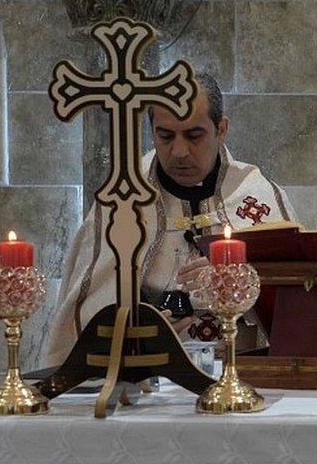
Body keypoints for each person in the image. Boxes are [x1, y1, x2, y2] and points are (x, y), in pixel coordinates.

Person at [45, 72, 297, 366]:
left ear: (222, 129)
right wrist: (139, 331)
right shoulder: (122, 201)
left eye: (194, 136)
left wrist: (240, 279)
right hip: (146, 378)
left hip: (242, 375)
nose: (179, 152)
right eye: (166, 136)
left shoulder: (259, 198)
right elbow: (87, 310)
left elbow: (298, 304)